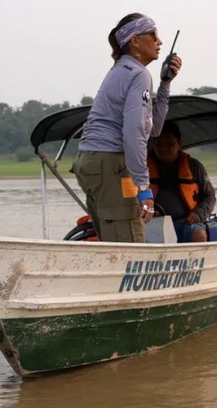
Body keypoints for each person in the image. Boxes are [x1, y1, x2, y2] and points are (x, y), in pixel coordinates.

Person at [71, 13, 181, 243]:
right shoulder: (139, 74)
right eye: (153, 35)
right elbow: (134, 133)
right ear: (135, 41)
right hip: (109, 163)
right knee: (129, 247)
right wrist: (143, 187)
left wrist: (165, 84)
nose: (159, 41)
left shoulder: (120, 70)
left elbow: (155, 130)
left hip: (89, 162)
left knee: (113, 243)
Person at [148, 120, 216, 242]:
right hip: (151, 223)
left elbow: (209, 196)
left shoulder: (194, 167)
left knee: (199, 235)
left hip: (185, 223)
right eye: (159, 145)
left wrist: (199, 214)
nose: (164, 149)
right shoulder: (141, 168)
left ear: (180, 143)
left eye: (170, 145)